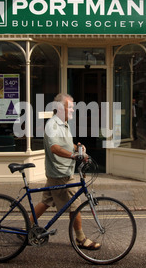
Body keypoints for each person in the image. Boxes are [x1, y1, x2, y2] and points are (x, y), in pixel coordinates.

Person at [30, 93, 101, 250]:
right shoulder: (52, 125)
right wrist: (74, 155)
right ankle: (80, 238)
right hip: (61, 174)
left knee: (46, 201)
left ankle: (26, 228)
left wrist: (78, 148)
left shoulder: (64, 124)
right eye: (71, 107)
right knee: (75, 206)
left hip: (60, 171)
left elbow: (65, 145)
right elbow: (54, 147)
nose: (74, 110)